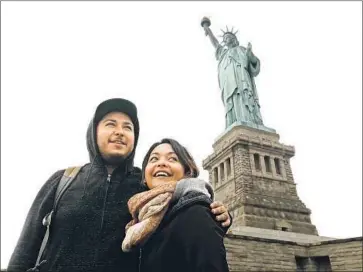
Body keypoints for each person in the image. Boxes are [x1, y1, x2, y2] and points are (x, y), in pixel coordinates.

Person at [7, 98, 231, 272]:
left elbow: (181, 215)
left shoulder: (146, 188)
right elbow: (26, 248)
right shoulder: (64, 180)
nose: (119, 132)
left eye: (128, 127)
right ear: (94, 132)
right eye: (110, 124)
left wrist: (220, 215)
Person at [122, 138, 230, 272]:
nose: (161, 163)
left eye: (172, 159)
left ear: (187, 172)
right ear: (144, 176)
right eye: (154, 159)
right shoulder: (138, 220)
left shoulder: (195, 213)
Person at [201, 17, 264, 128]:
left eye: (229, 37)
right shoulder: (223, 53)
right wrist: (207, 29)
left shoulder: (242, 49)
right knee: (233, 100)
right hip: (228, 84)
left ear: (234, 39)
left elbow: (254, 64)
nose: (226, 39)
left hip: (242, 79)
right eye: (225, 38)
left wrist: (250, 53)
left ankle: (249, 120)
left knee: (244, 97)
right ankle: (234, 121)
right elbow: (215, 43)